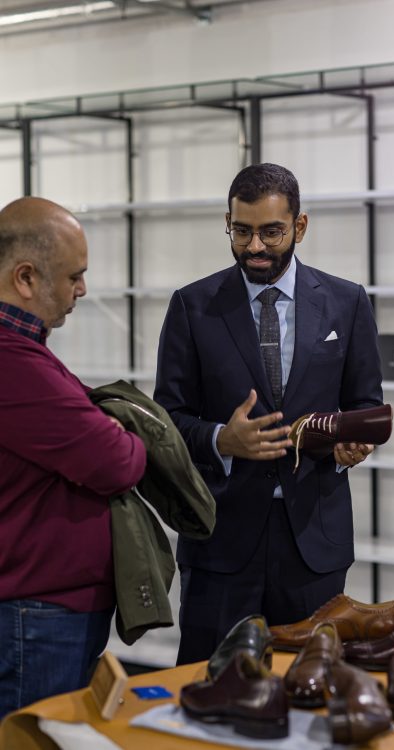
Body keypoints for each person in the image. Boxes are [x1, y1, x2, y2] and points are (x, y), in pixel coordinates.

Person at [154, 163, 383, 665]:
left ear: (299, 227)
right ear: (228, 223)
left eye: (271, 232)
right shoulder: (192, 306)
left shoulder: (346, 303)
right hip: (220, 539)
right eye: (241, 231)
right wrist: (220, 439)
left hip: (314, 543)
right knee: (208, 682)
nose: (254, 247)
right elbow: (165, 418)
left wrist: (351, 448)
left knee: (313, 686)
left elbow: (365, 404)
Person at [0, 197, 147, 719]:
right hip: (35, 619)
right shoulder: (14, 365)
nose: (82, 290)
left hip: (43, 614)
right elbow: (117, 461)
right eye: (73, 276)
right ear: (25, 278)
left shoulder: (27, 355)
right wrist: (120, 433)